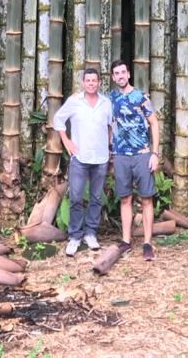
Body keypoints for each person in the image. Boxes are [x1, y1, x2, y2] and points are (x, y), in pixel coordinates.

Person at [52, 68, 112, 256]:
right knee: (76, 197)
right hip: (79, 157)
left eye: (95, 80)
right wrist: (66, 141)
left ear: (99, 83)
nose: (92, 83)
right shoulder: (74, 101)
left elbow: (111, 126)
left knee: (95, 198)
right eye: (88, 81)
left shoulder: (106, 103)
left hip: (101, 157)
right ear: (83, 83)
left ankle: (91, 233)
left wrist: (109, 146)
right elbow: (58, 119)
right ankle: (75, 236)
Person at [109, 59, 160, 261]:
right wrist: (109, 152)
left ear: (128, 74)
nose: (121, 76)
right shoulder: (110, 98)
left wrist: (154, 154)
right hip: (121, 155)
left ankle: (147, 243)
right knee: (125, 198)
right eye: (117, 73)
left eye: (123, 72)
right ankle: (126, 240)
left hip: (142, 153)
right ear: (113, 77)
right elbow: (108, 125)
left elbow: (154, 124)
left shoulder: (140, 97)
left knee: (146, 198)